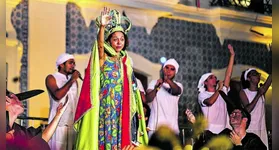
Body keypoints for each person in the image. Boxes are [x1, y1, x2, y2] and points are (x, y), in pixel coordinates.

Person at [74, 7, 148, 150]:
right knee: (106, 136)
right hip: (106, 107)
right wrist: (102, 27)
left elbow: (133, 89)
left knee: (121, 140)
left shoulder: (125, 61)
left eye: (121, 39)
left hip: (121, 106)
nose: (119, 42)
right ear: (110, 41)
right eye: (115, 39)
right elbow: (100, 46)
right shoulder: (104, 59)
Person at [45, 53, 80, 150]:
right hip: (58, 125)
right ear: (61, 64)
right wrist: (72, 79)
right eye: (70, 63)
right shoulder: (51, 78)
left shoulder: (74, 81)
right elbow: (57, 95)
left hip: (71, 124)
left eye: (74, 63)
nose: (73, 66)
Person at [146, 58, 183, 136]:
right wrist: (157, 88)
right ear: (163, 69)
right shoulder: (154, 83)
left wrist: (167, 80)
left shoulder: (178, 85)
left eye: (172, 69)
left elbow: (177, 91)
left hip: (171, 129)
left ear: (175, 72)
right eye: (167, 68)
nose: (168, 71)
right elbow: (148, 99)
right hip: (154, 128)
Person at [239, 68, 271, 148]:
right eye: (254, 74)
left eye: (258, 74)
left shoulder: (261, 90)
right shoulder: (244, 92)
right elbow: (247, 110)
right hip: (250, 130)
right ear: (249, 78)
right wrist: (259, 95)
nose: (258, 76)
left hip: (261, 129)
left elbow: (271, 77)